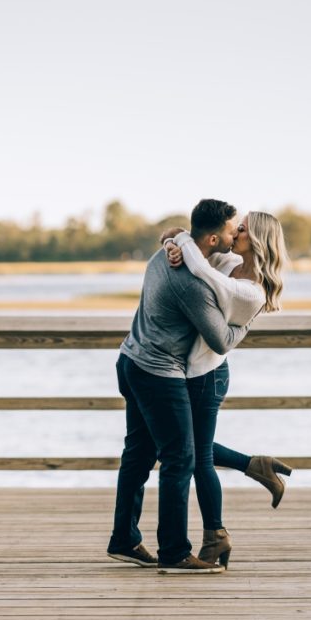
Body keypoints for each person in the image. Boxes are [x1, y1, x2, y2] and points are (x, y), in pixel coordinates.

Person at [106, 199, 250, 574]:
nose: (237, 234)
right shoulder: (189, 283)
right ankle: (174, 552)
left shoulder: (165, 256)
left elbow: (184, 244)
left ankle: (124, 539)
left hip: (130, 361)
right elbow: (220, 340)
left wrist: (174, 238)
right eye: (234, 229)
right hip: (158, 374)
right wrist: (248, 322)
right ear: (215, 238)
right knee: (181, 458)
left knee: (138, 454)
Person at [160, 211, 291, 568]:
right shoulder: (230, 261)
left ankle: (215, 535)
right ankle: (254, 466)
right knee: (186, 447)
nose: (235, 231)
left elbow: (201, 273)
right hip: (191, 371)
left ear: (258, 238)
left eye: (243, 228)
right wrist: (174, 242)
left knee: (196, 456)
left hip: (207, 376)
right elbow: (185, 237)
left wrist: (184, 245)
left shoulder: (250, 292)